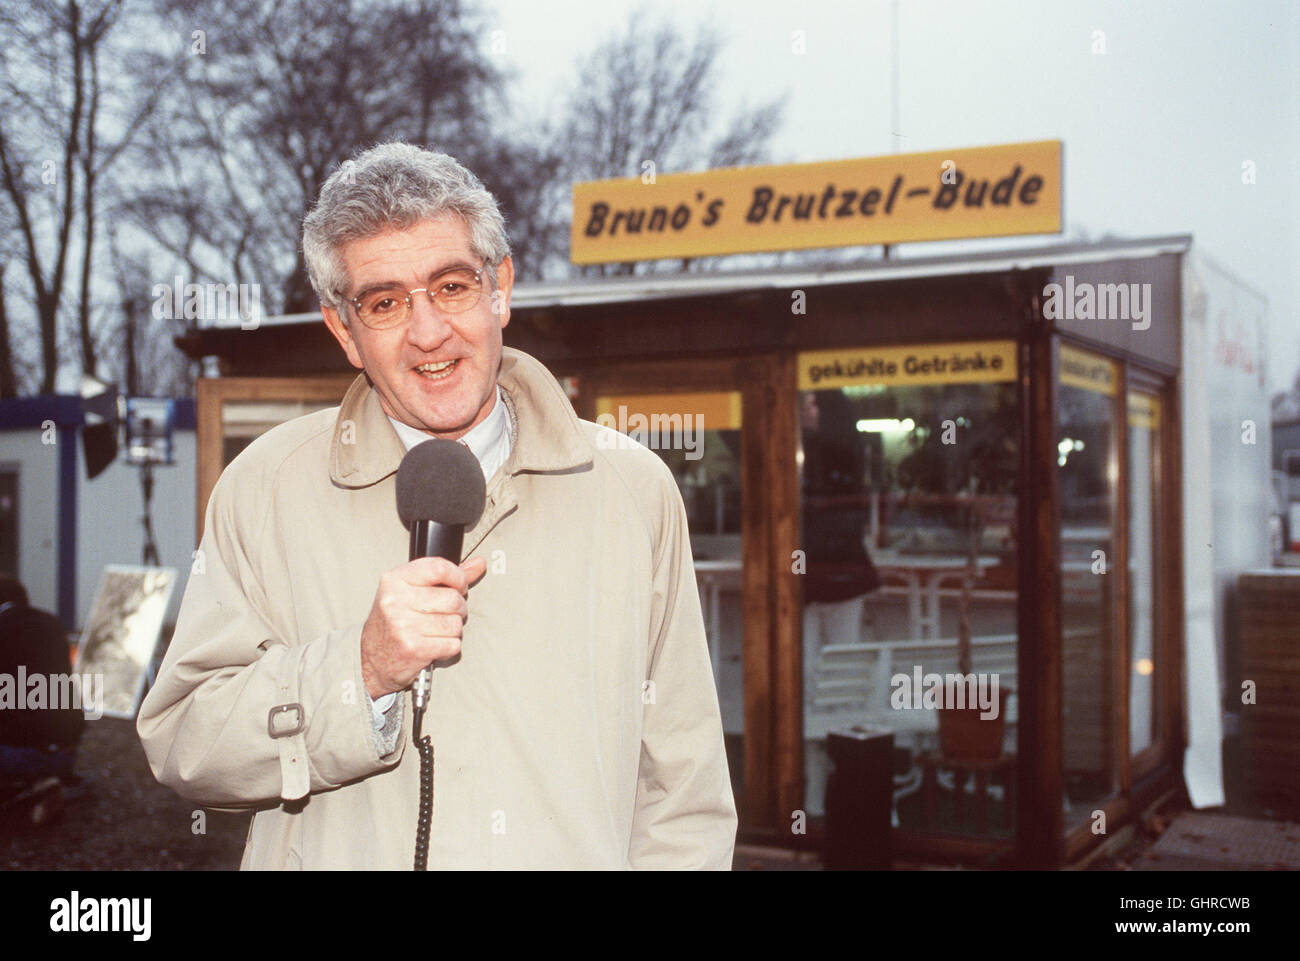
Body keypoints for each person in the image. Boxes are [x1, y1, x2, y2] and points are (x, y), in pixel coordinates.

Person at [137, 143, 737, 869]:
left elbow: (684, 794)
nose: (427, 333)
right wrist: (357, 672)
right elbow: (183, 742)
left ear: (501, 288)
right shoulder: (263, 487)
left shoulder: (631, 489)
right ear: (343, 331)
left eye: (451, 286)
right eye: (384, 302)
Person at [799, 390, 881, 816]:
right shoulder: (848, 455)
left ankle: (826, 787)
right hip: (834, 578)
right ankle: (824, 785)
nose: (805, 409)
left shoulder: (825, 454)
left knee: (824, 679)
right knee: (821, 679)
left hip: (822, 579)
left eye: (813, 403)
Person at [0, 576, 84, 807]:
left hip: (18, 754)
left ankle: (24, 783)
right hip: (66, 752)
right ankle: (43, 781)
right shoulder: (51, 622)